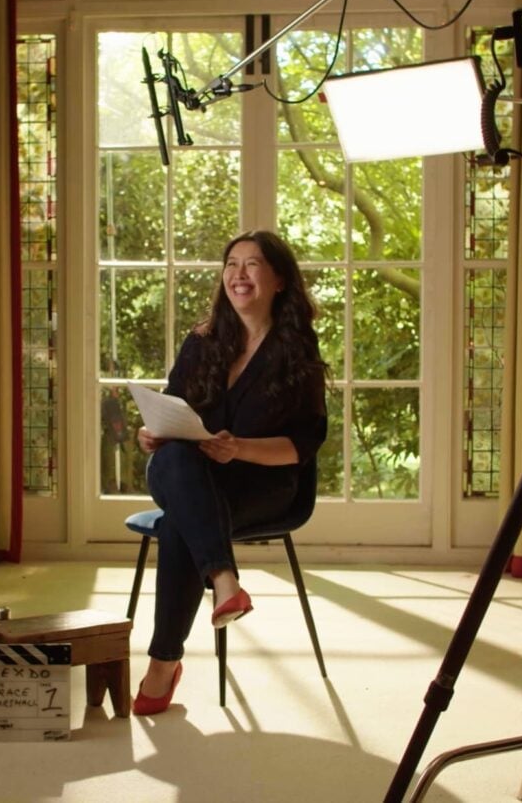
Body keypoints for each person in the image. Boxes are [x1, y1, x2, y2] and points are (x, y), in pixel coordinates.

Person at [132, 229, 329, 716]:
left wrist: (239, 448)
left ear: (279, 279)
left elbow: (302, 446)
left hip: (262, 485)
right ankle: (223, 579)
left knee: (180, 523)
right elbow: (171, 407)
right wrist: (151, 432)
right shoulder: (202, 342)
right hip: (187, 472)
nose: (239, 274)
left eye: (253, 264)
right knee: (174, 461)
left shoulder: (297, 354)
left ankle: (163, 664)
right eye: (232, 264)